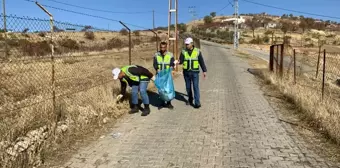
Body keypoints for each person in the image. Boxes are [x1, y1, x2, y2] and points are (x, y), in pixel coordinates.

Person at [175, 37, 207, 109]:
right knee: (188, 87)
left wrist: (204, 71)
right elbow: (181, 61)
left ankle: (197, 102)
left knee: (195, 87)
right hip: (186, 72)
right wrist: (177, 62)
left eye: (188, 44)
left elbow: (201, 61)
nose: (186, 45)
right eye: (186, 44)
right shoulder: (183, 52)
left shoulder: (197, 51)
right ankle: (190, 99)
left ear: (192, 44)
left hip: (195, 72)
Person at [153, 41, 175, 109]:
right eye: (161, 47)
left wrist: (172, 66)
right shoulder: (156, 55)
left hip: (167, 75)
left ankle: (169, 103)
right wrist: (157, 69)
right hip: (160, 74)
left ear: (166, 47)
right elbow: (155, 63)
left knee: (168, 89)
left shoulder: (170, 55)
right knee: (161, 89)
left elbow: (172, 63)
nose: (162, 49)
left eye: (163, 47)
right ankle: (162, 103)